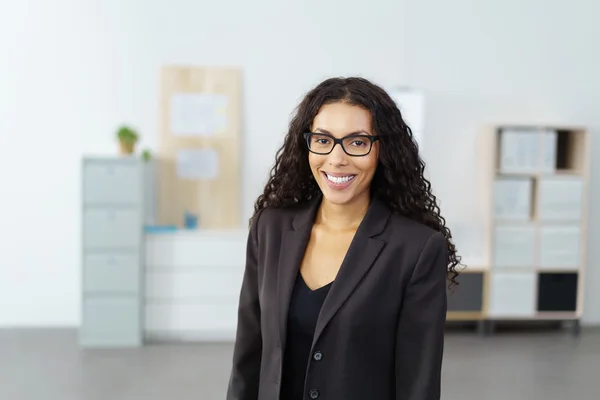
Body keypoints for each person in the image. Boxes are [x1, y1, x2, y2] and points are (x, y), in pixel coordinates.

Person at [226, 76, 460, 400]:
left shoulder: (416, 249)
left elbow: (418, 383)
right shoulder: (271, 229)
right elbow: (248, 358)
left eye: (357, 142)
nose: (337, 159)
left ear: (382, 150)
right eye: (323, 140)